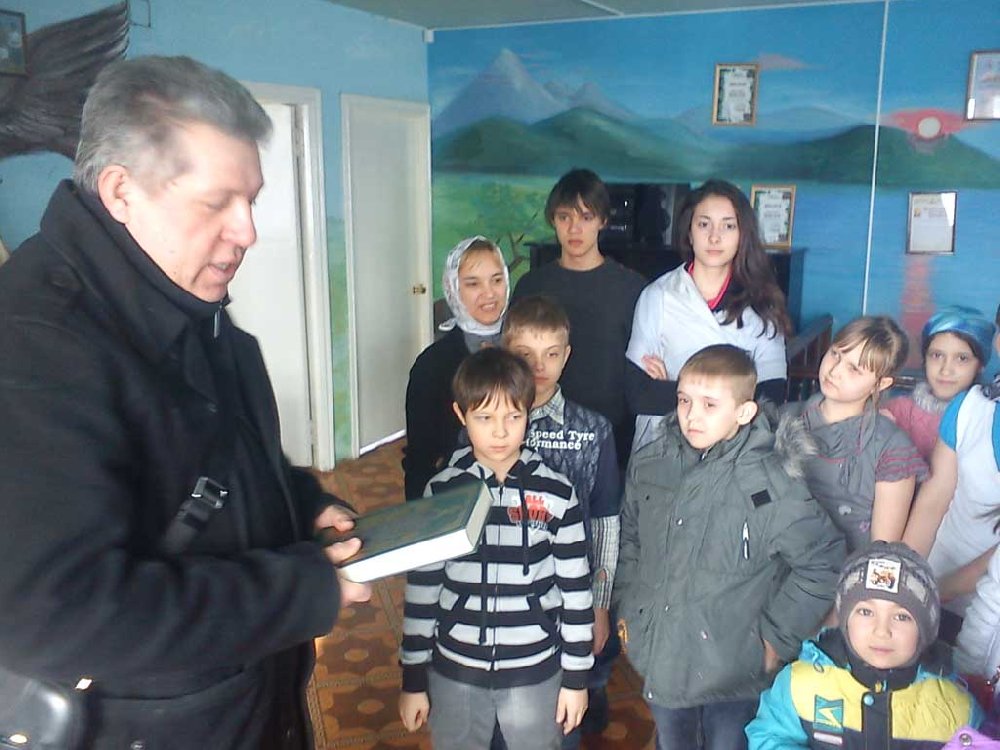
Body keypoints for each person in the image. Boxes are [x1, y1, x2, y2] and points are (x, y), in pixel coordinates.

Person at [0, 56, 370, 749]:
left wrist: (300, 502)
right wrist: (297, 591)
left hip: (244, 705)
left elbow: (204, 461)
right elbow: (55, 612)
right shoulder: (32, 345)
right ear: (121, 191)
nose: (247, 231)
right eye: (217, 202)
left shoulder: (180, 295)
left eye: (251, 200)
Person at [614, 344, 845, 750]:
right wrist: (629, 608)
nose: (692, 415)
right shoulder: (652, 463)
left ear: (744, 412)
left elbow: (822, 561)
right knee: (673, 740)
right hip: (663, 655)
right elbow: (630, 535)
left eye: (709, 404)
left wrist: (776, 639)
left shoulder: (771, 482)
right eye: (684, 400)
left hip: (735, 668)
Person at [398, 348, 594, 750]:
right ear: (461, 415)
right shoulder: (441, 493)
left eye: (513, 417)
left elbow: (576, 593)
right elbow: (422, 591)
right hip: (455, 670)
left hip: (535, 670)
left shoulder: (557, 494)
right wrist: (413, 679)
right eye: (484, 418)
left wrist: (576, 679)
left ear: (529, 412)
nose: (500, 432)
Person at [503, 295, 621, 744]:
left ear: (567, 356)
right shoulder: (486, 426)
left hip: (569, 604)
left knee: (561, 721)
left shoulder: (594, 430)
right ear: (504, 352)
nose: (539, 366)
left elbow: (606, 520)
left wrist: (600, 605)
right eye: (525, 354)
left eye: (551, 354)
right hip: (501, 602)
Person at [746, 541, 984, 748]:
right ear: (845, 620)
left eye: (902, 616)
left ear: (925, 630)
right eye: (866, 612)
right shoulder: (801, 684)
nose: (882, 631)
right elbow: (769, 737)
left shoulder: (957, 708)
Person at [627, 179, 791, 452]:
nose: (715, 237)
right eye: (704, 224)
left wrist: (675, 388)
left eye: (728, 226)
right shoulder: (658, 296)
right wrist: (729, 399)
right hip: (664, 450)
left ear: (742, 234)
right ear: (689, 232)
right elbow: (639, 393)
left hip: (735, 453)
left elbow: (770, 397)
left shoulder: (762, 304)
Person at [512, 168, 646, 467]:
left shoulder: (632, 288)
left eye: (586, 217)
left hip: (611, 435)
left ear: (603, 221)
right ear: (553, 220)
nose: (574, 229)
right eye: (564, 217)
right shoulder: (531, 286)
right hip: (537, 432)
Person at [783, 316, 927, 553]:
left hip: (846, 570)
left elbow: (881, 550)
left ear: (881, 384)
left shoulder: (892, 449)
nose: (835, 371)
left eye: (854, 369)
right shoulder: (783, 418)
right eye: (835, 354)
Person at [904, 304, 1000, 627]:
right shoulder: (970, 407)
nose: (947, 368)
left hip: (981, 605)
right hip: (936, 574)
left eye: (961, 358)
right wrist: (903, 575)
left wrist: (936, 591)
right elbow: (934, 498)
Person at [403, 235, 509, 500]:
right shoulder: (432, 366)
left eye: (496, 280)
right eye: (473, 283)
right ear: (453, 288)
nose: (489, 293)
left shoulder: (526, 349)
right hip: (458, 496)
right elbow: (420, 458)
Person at [883, 306, 995, 461]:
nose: (946, 370)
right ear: (925, 359)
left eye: (962, 358)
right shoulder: (897, 413)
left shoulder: (988, 419)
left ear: (980, 365)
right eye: (937, 355)